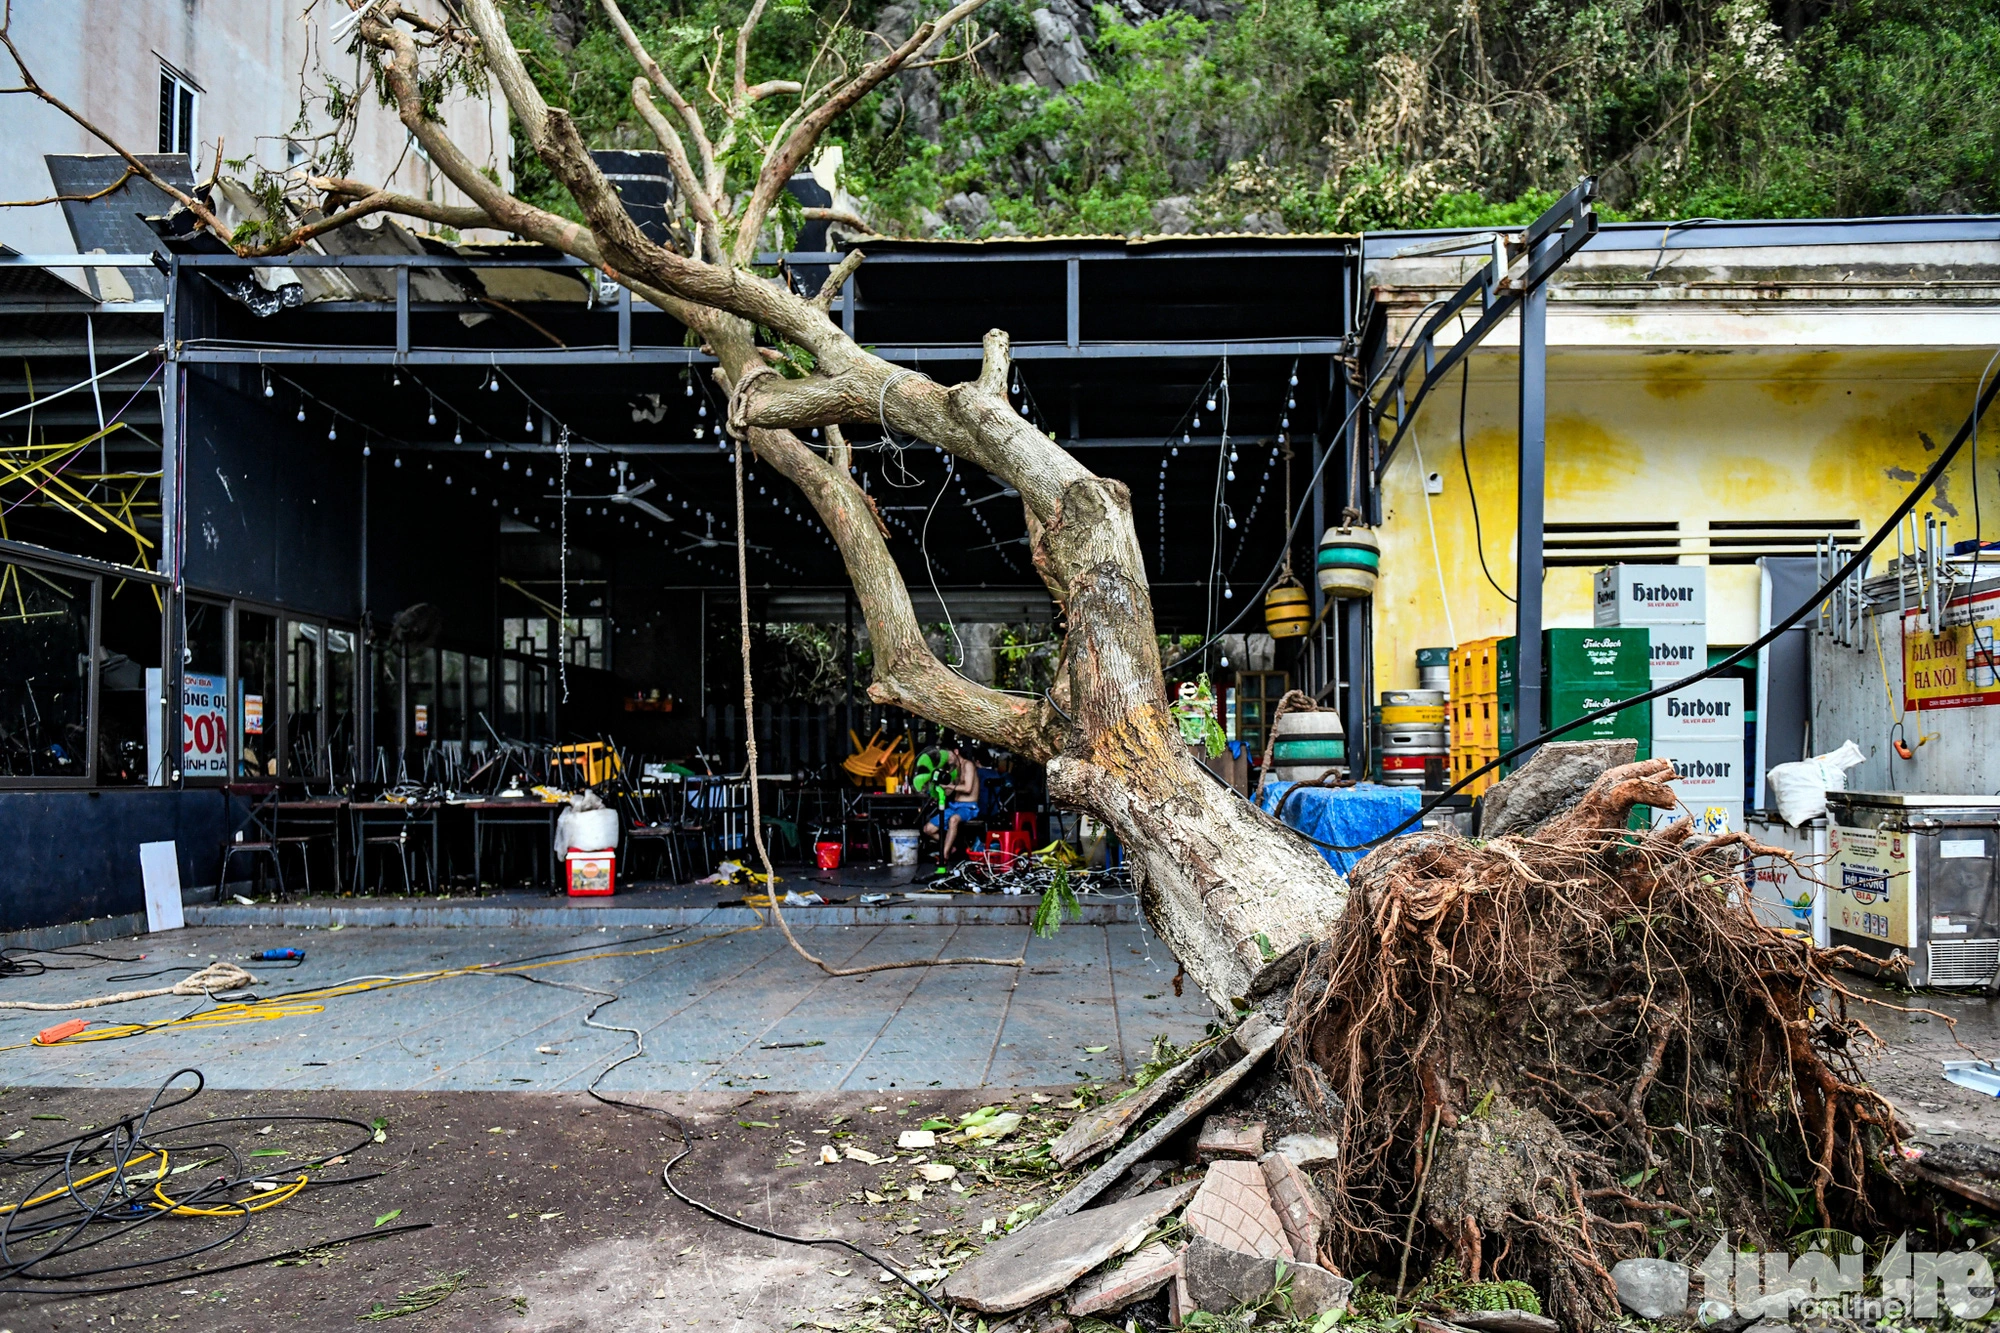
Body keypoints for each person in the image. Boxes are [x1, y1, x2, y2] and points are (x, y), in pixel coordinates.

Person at [921, 737, 982, 872]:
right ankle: (952, 846)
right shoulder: (952, 769)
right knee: (928, 829)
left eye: (946, 754)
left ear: (956, 751)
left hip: (969, 806)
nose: (945, 758)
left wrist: (948, 786)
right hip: (954, 806)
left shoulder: (968, 765)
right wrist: (938, 791)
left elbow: (967, 788)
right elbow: (949, 791)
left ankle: (944, 855)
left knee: (953, 820)